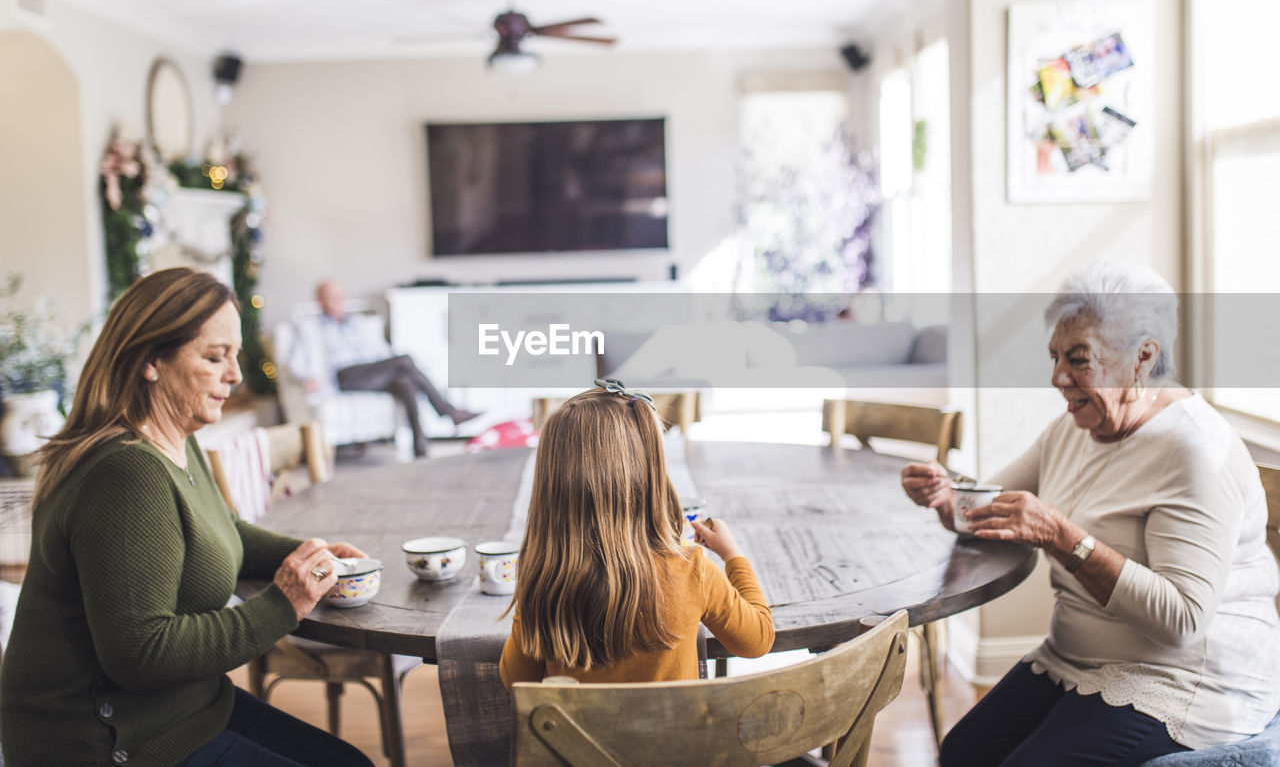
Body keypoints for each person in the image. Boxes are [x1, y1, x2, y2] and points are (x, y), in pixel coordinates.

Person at [901, 262, 1280, 766]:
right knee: (962, 753)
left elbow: (1184, 619)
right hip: (1074, 658)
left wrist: (1062, 537)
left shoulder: (1195, 451)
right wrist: (948, 501)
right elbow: (995, 512)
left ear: (1144, 357)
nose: (1058, 378)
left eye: (1079, 360)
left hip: (1183, 680)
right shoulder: (1074, 428)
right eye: (1055, 356)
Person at [0, 268, 375, 767]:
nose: (236, 374)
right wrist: (285, 601)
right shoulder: (125, 473)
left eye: (235, 355)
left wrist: (303, 556)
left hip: (184, 707)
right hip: (108, 739)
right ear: (152, 360)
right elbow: (141, 652)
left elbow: (218, 531)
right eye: (215, 357)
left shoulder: (177, 438)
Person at [499, 380, 774, 686]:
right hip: (677, 735)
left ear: (551, 490)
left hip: (572, 735)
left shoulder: (545, 582)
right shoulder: (693, 570)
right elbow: (758, 640)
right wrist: (733, 555)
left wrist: (531, 593)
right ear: (651, 476)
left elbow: (515, 682)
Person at [290, 279, 479, 457]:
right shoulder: (311, 328)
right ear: (319, 300)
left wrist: (391, 365)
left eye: (339, 296)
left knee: (404, 381)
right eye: (330, 296)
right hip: (344, 375)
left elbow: (382, 351)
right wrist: (308, 377)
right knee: (405, 361)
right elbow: (295, 361)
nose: (336, 301)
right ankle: (447, 410)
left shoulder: (358, 324)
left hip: (370, 371)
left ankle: (420, 443)